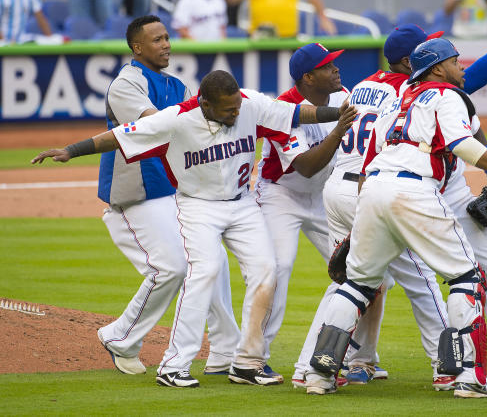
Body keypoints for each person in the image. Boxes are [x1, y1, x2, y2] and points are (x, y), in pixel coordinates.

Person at [31, 69, 352, 388]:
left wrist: (339, 113)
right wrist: (71, 150)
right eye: (228, 110)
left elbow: (297, 113)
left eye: (237, 107)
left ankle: (247, 362)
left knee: (267, 269)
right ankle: (173, 366)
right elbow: (121, 135)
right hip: (199, 206)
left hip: (241, 204)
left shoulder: (248, 103)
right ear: (206, 105)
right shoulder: (176, 119)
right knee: (204, 272)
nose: (236, 113)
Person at [320, 7, 487, 392]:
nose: (455, 63)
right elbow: (474, 88)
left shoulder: (378, 87)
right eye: (442, 55)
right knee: (448, 281)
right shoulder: (412, 92)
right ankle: (453, 370)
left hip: (413, 189)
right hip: (416, 192)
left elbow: (473, 132)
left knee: (472, 275)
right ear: (415, 62)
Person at [255, 42, 357, 382]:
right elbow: (307, 167)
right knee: (278, 267)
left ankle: (348, 355)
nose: (336, 70)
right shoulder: (282, 109)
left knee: (359, 268)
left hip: (325, 197)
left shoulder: (344, 93)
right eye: (328, 66)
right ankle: (255, 357)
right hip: (281, 194)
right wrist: (340, 128)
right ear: (308, 77)